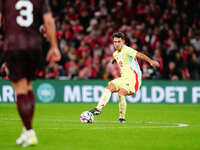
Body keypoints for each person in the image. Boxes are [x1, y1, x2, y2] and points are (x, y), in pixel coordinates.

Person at [0, 0, 61, 147]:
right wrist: (54, 46)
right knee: (28, 87)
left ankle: (29, 131)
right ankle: (25, 130)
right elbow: (48, 21)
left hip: (14, 44)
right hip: (35, 46)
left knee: (20, 89)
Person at [89, 32, 159, 123]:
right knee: (109, 87)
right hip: (124, 78)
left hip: (134, 79)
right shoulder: (115, 54)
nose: (116, 44)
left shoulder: (127, 50)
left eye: (119, 41)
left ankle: (122, 118)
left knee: (121, 93)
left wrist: (150, 61)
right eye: (115, 42)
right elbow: (118, 56)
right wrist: (114, 60)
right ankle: (98, 108)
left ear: (123, 42)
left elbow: (139, 54)